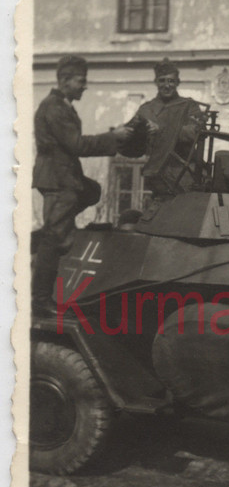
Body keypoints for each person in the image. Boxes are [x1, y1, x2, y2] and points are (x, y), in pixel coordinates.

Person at [32, 55, 132, 317]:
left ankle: (42, 236)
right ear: (65, 80)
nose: (84, 86)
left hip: (64, 177)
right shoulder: (55, 107)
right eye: (81, 80)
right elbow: (77, 146)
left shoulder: (62, 105)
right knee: (55, 240)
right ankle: (40, 300)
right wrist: (112, 138)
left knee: (92, 191)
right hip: (58, 179)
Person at [124, 58, 207, 202]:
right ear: (156, 82)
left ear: (177, 83)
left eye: (171, 81)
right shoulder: (146, 109)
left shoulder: (189, 106)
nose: (167, 85)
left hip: (184, 173)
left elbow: (195, 132)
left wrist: (161, 129)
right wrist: (138, 132)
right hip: (157, 176)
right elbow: (129, 143)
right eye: (162, 80)